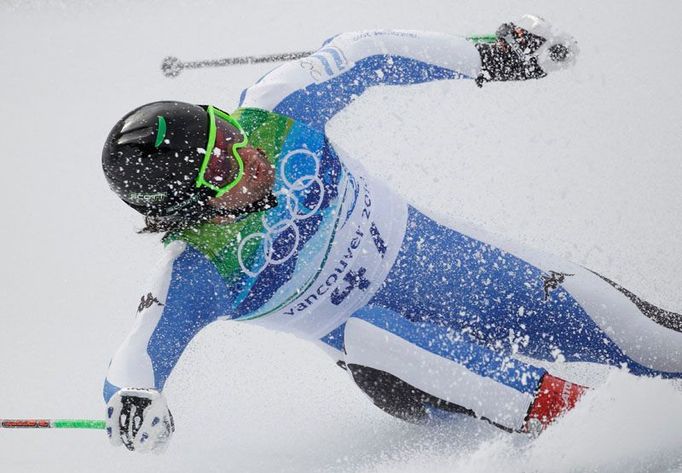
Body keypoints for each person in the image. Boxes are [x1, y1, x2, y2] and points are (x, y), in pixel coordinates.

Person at [101, 15, 682, 453]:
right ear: (190, 207)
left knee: (654, 340)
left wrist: (489, 55)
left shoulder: (274, 110)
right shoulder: (198, 271)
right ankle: (602, 435)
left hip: (462, 273)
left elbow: (367, 53)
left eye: (225, 131)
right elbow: (134, 362)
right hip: (402, 368)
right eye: (221, 168)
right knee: (377, 332)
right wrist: (132, 404)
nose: (247, 153)